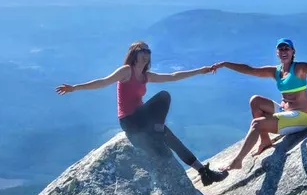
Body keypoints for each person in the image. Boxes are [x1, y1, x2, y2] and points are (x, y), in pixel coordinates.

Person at [56, 41, 228, 185]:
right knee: (164, 97)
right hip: (129, 120)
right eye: (142, 50)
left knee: (171, 138)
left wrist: (200, 70)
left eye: (148, 51)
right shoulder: (126, 71)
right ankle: (158, 133)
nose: (146, 54)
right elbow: (103, 81)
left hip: (142, 119)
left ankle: (203, 172)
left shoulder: (146, 75)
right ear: (134, 54)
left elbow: (173, 76)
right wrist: (75, 88)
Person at [213, 38, 307, 171]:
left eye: (287, 48)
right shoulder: (276, 71)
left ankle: (237, 161)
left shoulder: (300, 68)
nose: (283, 51)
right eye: (280, 49)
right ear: (277, 53)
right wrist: (226, 64)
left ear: (293, 51)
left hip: (300, 118)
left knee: (257, 123)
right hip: (284, 111)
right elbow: (251, 70)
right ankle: (265, 140)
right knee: (255, 100)